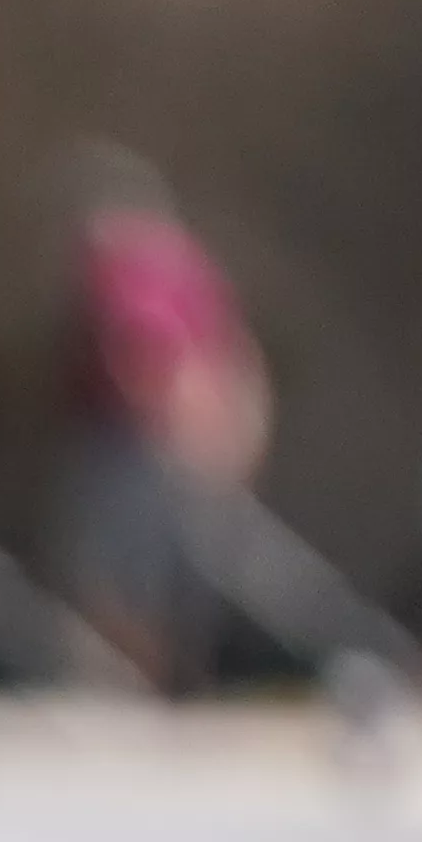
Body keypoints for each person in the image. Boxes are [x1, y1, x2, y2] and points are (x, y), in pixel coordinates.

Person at [49, 145, 267, 699]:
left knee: (117, 580)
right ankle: (168, 688)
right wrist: (239, 432)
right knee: (176, 580)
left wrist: (169, 425)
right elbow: (235, 355)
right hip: (193, 442)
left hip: (139, 442)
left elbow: (141, 354)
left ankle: (136, 688)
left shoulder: (126, 274)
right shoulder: (194, 268)